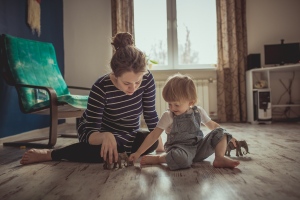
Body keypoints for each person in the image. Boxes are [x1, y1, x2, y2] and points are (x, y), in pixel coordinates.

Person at [20, 32, 164, 165]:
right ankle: (52, 154)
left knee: (152, 142)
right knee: (100, 150)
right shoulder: (101, 87)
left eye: (137, 82)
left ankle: (117, 151)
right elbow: (91, 133)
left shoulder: (147, 78)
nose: (133, 88)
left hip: (127, 135)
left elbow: (150, 113)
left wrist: (160, 146)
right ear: (115, 74)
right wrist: (105, 136)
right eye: (127, 83)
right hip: (97, 134)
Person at [129, 73, 240, 170]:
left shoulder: (198, 111)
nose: (172, 108)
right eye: (169, 104)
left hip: (198, 148)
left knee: (221, 131)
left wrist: (228, 136)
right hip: (180, 150)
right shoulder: (168, 115)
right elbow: (154, 135)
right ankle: (159, 158)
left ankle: (219, 158)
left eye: (176, 104)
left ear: (190, 102)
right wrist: (138, 152)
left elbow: (213, 125)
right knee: (181, 160)